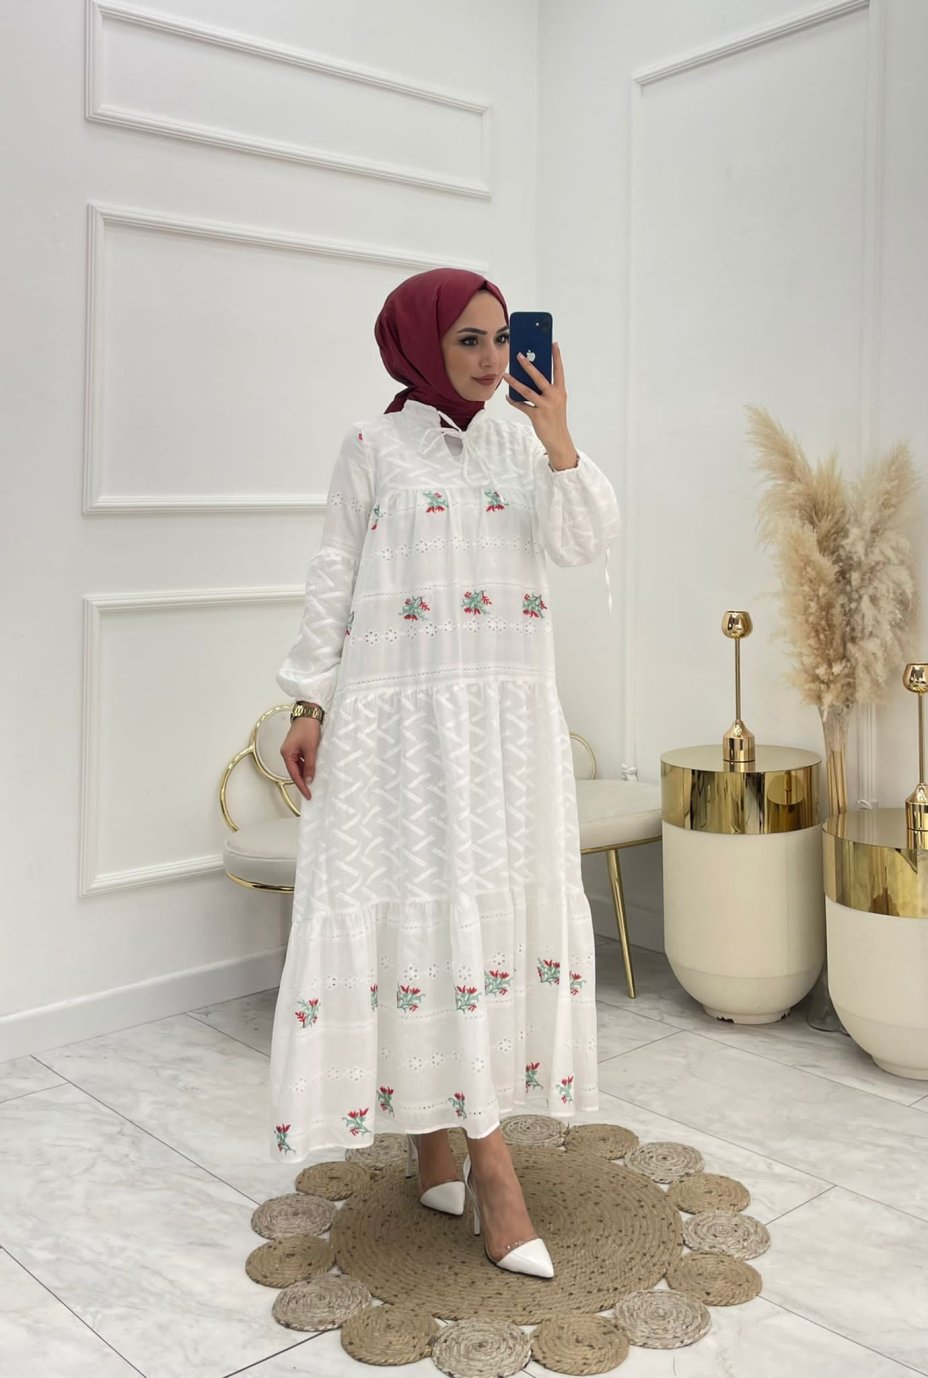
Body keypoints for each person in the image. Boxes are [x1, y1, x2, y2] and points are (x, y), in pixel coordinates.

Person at [272, 267, 620, 1279]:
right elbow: (333, 576)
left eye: (502, 338)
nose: (488, 358)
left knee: (482, 916)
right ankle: (491, 1171)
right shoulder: (372, 448)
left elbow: (586, 541)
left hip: (504, 733)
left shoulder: (525, 443)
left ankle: (438, 1138)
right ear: (420, 343)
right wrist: (308, 701)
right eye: (468, 339)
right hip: (400, 730)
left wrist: (558, 436)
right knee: (423, 909)